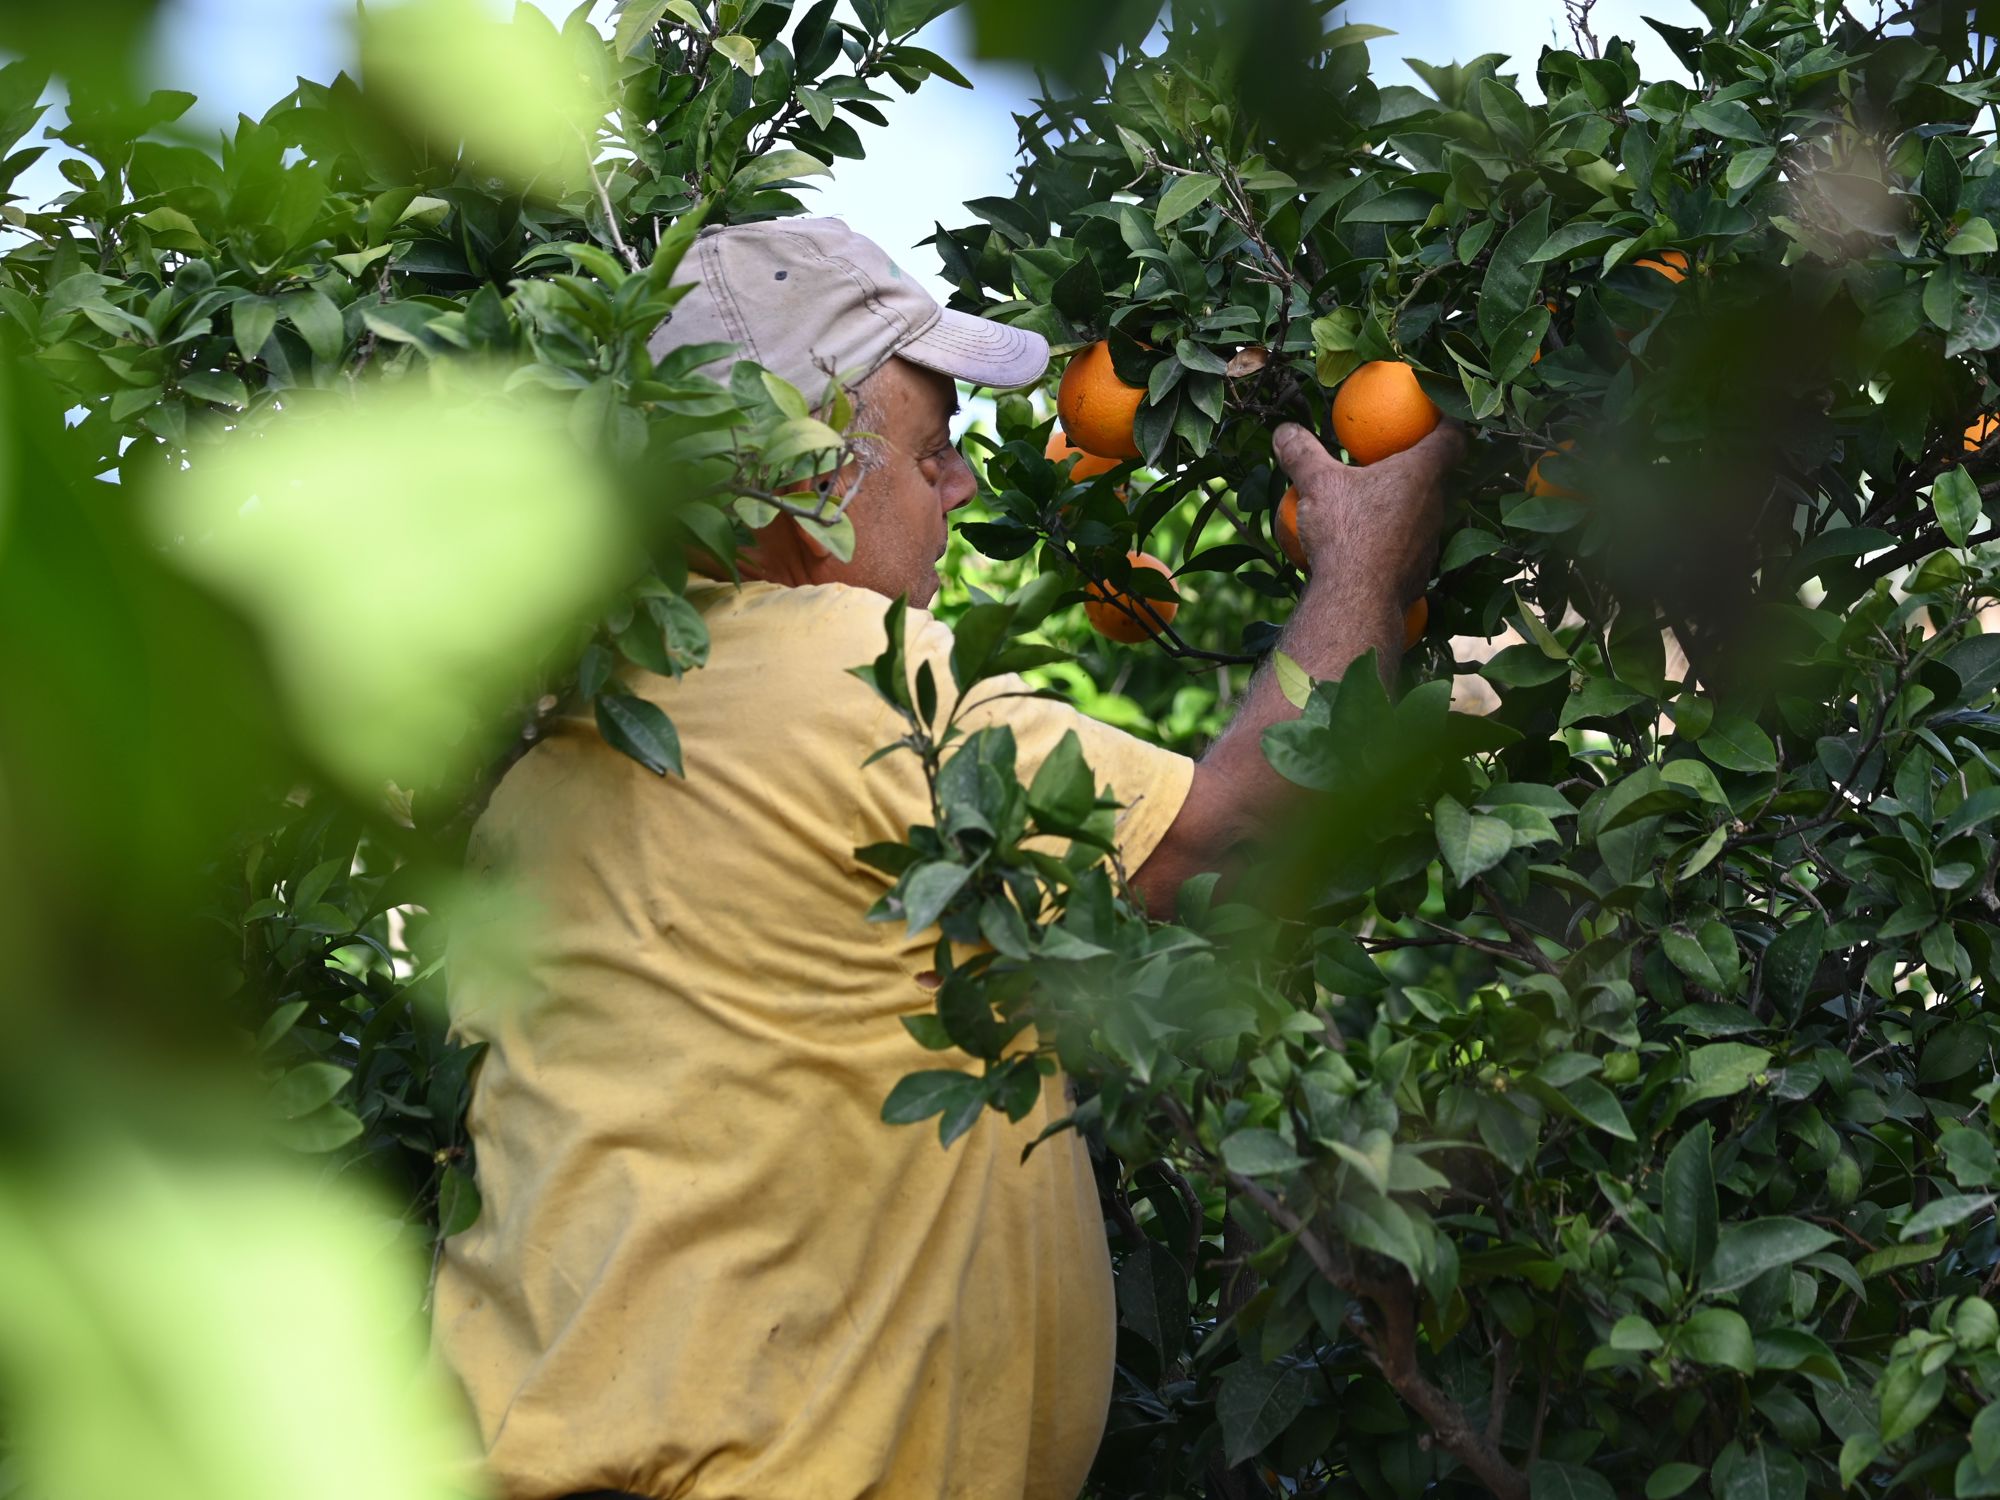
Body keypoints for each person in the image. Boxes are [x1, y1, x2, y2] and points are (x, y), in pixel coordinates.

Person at [432, 217, 1459, 1500]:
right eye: (929, 456)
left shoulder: (559, 748)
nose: (962, 489)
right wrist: (1367, 561)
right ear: (797, 481)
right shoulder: (841, 678)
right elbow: (1230, 838)